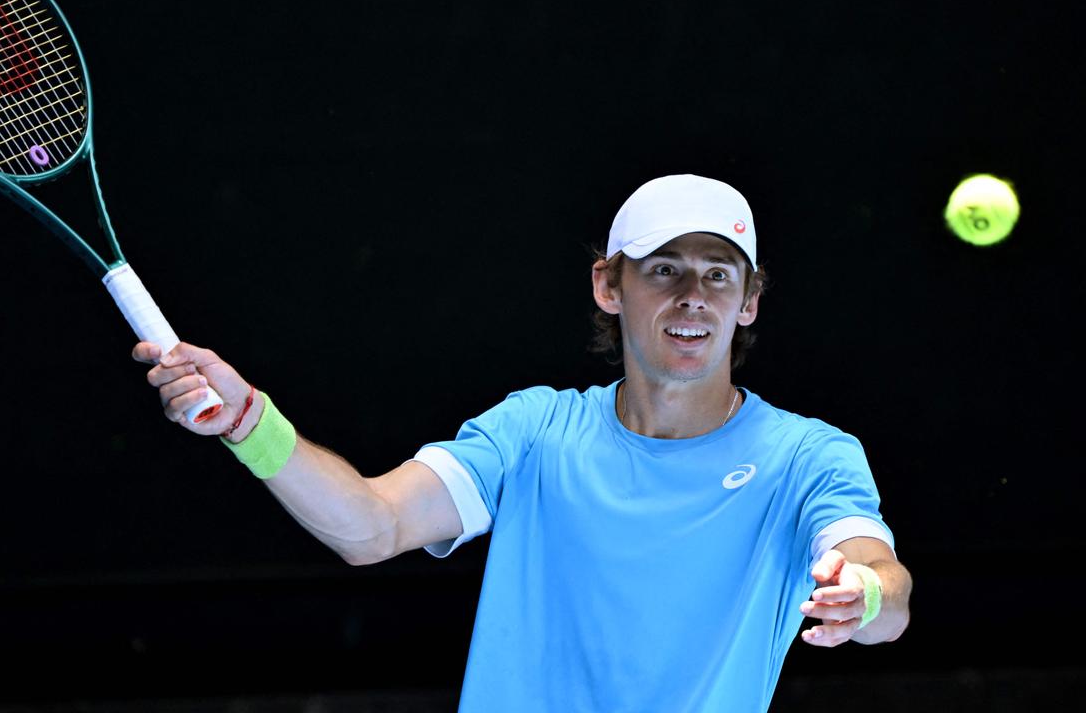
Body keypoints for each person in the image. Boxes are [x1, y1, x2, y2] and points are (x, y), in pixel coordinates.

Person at [134, 174, 912, 712]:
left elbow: (888, 593)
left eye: (718, 275)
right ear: (611, 285)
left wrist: (864, 594)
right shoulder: (533, 432)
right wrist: (250, 425)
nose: (692, 297)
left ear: (748, 301)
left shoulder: (810, 456)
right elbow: (373, 526)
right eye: (666, 269)